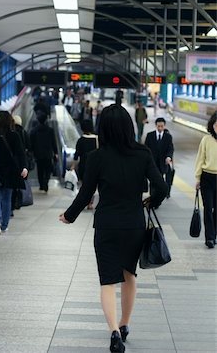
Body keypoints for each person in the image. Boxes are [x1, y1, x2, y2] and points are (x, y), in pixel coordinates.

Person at [59, 104, 167, 353]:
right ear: (129, 126)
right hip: (133, 224)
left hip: (107, 224)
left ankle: (114, 333)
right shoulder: (143, 153)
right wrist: (152, 202)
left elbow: (86, 193)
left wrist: (69, 216)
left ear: (103, 129)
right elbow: (161, 187)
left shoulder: (97, 157)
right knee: (129, 275)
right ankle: (125, 324)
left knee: (107, 280)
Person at [0, 111, 28, 234]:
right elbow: (21, 153)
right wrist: (24, 168)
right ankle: (4, 225)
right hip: (10, 172)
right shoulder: (14, 135)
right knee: (7, 198)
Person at [194, 112, 217, 249]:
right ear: (212, 125)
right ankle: (209, 237)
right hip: (207, 178)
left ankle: (214, 234)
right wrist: (197, 178)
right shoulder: (206, 140)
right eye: (216, 125)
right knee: (208, 208)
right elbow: (200, 159)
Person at [71, 119, 99, 210]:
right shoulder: (97, 139)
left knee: (85, 185)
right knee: (94, 185)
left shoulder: (81, 140)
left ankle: (85, 201)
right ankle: (90, 203)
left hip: (83, 166)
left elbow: (76, 155)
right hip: (95, 166)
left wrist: (73, 166)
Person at [144, 117, 174, 198]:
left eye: (162, 126)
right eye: (158, 126)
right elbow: (146, 148)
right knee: (153, 179)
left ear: (164, 126)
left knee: (160, 179)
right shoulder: (150, 135)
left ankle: (160, 194)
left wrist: (169, 157)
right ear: (156, 126)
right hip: (152, 163)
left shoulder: (168, 137)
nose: (160, 128)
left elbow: (170, 148)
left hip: (163, 163)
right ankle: (152, 195)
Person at [30, 113, 58, 192]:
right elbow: (53, 142)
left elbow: (31, 143)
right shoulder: (50, 130)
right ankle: (46, 181)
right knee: (48, 169)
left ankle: (41, 185)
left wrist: (32, 151)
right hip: (48, 153)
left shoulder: (34, 130)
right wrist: (55, 152)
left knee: (40, 169)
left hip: (38, 154)